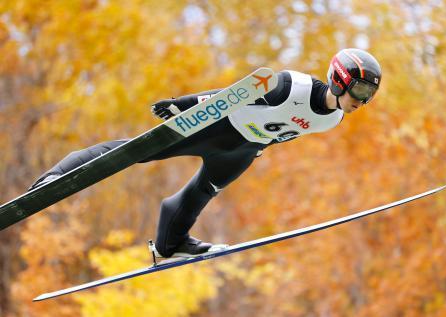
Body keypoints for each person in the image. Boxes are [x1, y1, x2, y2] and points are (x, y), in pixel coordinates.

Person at [29, 48, 382, 258]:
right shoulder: (290, 86)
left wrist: (256, 149)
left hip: (243, 149)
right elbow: (234, 94)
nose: (362, 101)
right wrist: (183, 105)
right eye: (361, 90)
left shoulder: (333, 119)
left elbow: (285, 132)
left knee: (201, 192)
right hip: (216, 126)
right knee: (135, 152)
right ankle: (58, 176)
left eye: (370, 95)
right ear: (339, 79)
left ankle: (171, 245)